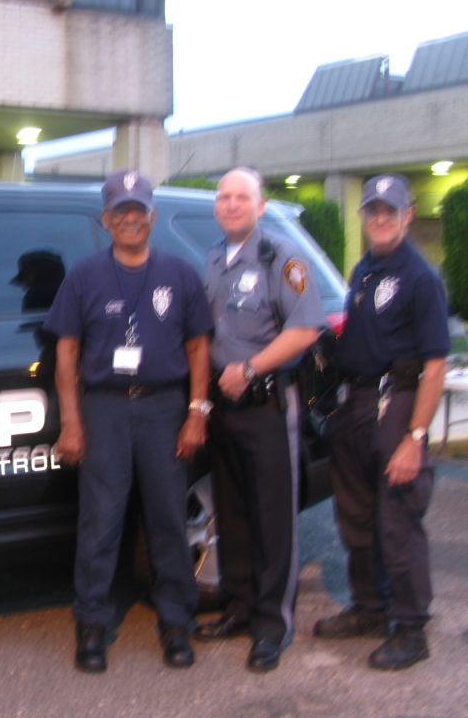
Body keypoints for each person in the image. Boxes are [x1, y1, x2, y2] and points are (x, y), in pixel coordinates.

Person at [44, 170, 213, 672]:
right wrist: (72, 424)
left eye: (138, 210)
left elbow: (199, 347)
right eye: (121, 211)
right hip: (106, 409)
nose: (130, 218)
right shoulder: (84, 276)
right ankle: (92, 626)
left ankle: (177, 624)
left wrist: (196, 413)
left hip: (164, 408)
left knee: (166, 520)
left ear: (152, 217)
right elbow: (67, 354)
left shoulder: (180, 274)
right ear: (106, 219)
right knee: (100, 523)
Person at [313, 174, 449, 670]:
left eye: (390, 209)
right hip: (357, 402)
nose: (380, 217)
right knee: (356, 515)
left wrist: (415, 438)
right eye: (372, 209)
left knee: (397, 521)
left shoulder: (420, 277)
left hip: (398, 401)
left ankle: (411, 628)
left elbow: (436, 366)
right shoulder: (363, 270)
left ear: (408, 214)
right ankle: (371, 607)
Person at [196, 167, 325, 672]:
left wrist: (248, 369)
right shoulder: (212, 257)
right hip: (225, 409)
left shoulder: (281, 257)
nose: (230, 205)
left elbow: (306, 329)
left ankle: (273, 626)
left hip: (269, 405)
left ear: (261, 205)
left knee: (273, 520)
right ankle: (241, 608)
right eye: (224, 197)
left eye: (241, 197)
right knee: (233, 516)